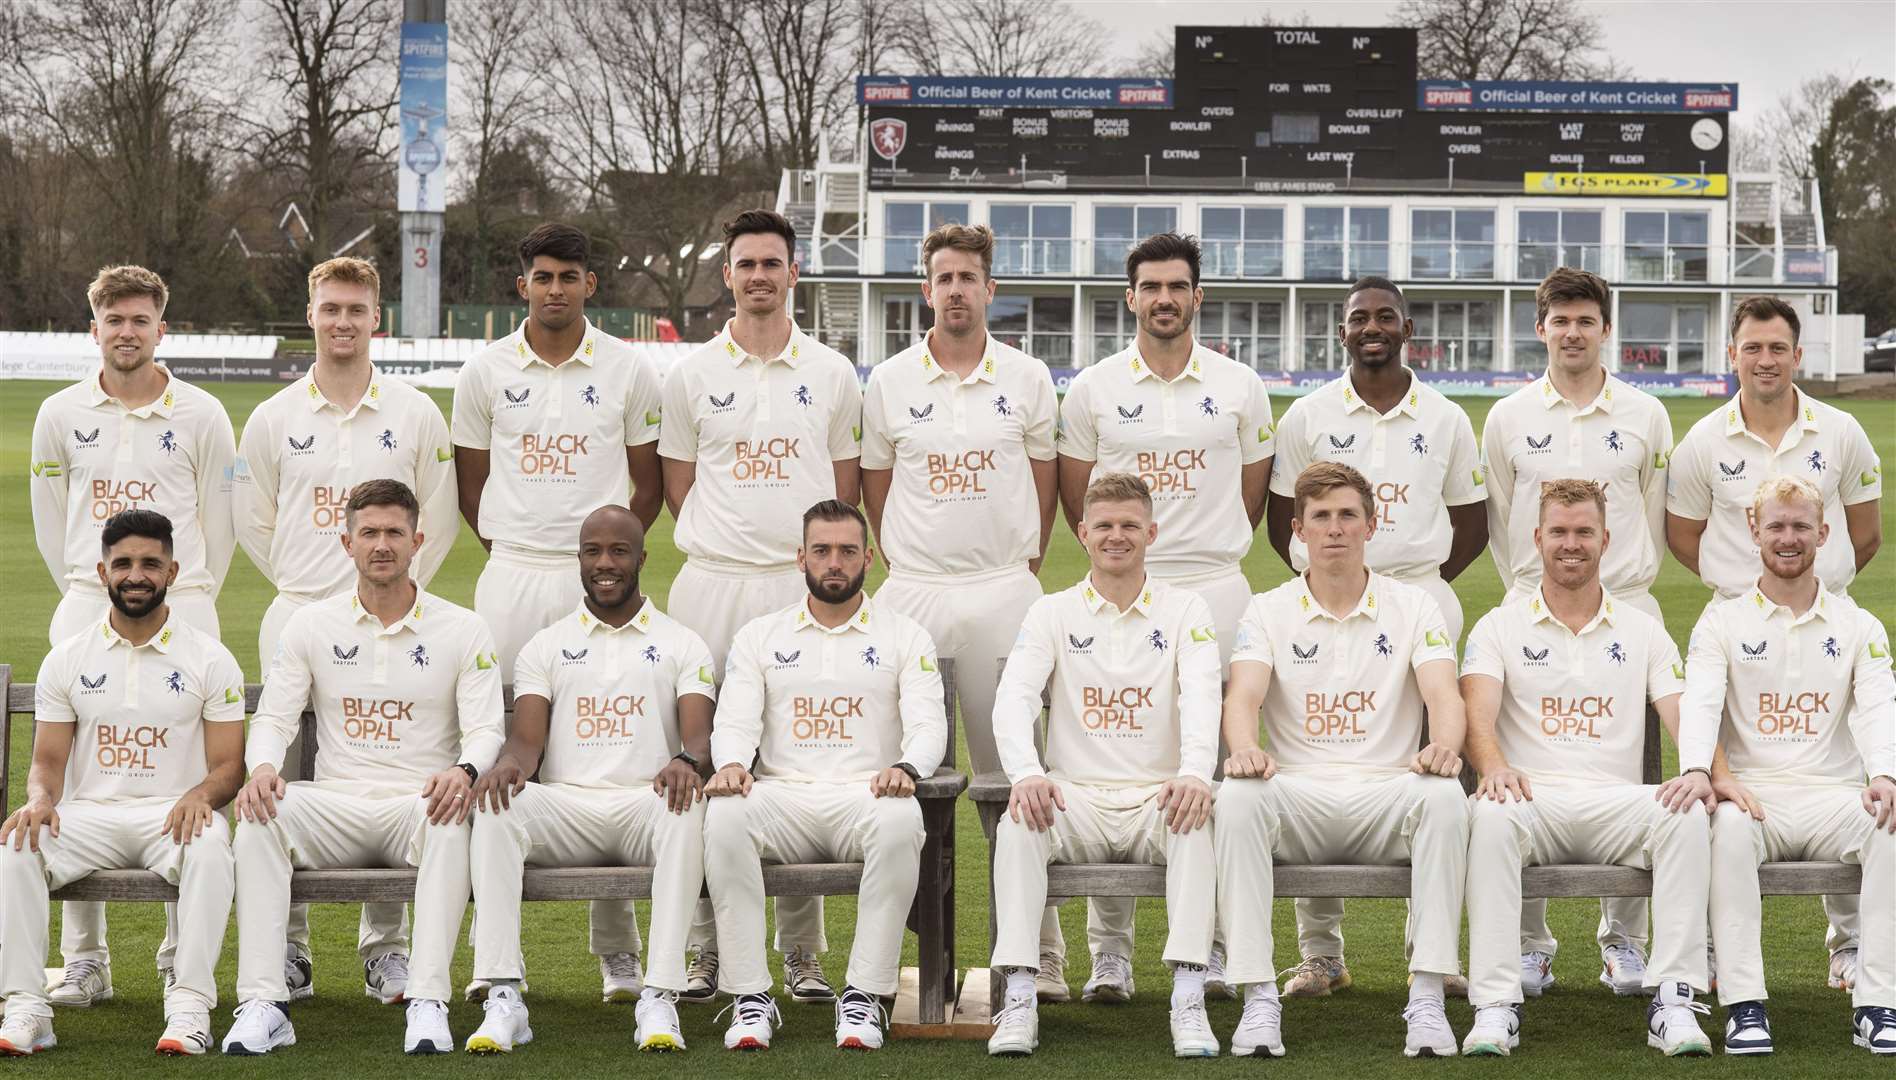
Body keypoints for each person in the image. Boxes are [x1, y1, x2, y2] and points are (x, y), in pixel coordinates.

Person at [1055, 231, 1273, 999]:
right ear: (1131, 297)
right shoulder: (1093, 388)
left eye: (1177, 286)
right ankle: (1109, 952)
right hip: (1122, 593)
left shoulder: (1241, 385)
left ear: (1197, 296)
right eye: (1150, 287)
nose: (1164, 299)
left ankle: (1211, 944)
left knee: (1210, 771)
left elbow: (1251, 489)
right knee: (1115, 760)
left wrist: (1201, 553)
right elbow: (1079, 496)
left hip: (1214, 586)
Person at [234, 255, 456, 1006]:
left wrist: (388, 592)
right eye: (330, 308)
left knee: (386, 769)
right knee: (281, 777)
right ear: (311, 315)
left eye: (356, 310)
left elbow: (441, 517)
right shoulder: (274, 418)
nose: (342, 322)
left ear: (376, 320)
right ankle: (288, 949)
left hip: (393, 619)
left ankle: (385, 951)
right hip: (296, 610)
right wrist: (312, 591)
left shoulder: (417, 412)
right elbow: (251, 519)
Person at [451, 222, 665, 1000]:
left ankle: (617, 947)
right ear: (522, 286)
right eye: (541, 276)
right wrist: (522, 545)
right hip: (512, 575)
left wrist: (605, 554)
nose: (554, 289)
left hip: (598, 576)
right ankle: (493, 951)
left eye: (568, 276)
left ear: (590, 285)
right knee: (490, 742)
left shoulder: (627, 368)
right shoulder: (483, 371)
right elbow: (471, 491)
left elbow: (649, 488)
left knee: (607, 743)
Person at [220, 480, 502, 1056]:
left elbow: (485, 729)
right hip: (337, 805)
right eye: (368, 532)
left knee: (451, 816)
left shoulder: (462, 627)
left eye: (394, 532)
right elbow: (274, 714)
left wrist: (464, 771)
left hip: (416, 805)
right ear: (346, 542)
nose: (381, 545)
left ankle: (427, 1001)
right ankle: (264, 1002)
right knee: (258, 815)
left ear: (417, 540)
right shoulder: (311, 625)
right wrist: (262, 769)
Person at [1261, 275, 1486, 999]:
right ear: (1342, 331)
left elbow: (1472, 521)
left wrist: (1401, 587)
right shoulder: (1309, 414)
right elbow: (1279, 519)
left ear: (1407, 327)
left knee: (1435, 768)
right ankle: (1321, 955)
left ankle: (1434, 950)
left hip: (1420, 595)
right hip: (1322, 603)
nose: (1373, 327)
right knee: (1316, 752)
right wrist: (1337, 576)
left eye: (1385, 316)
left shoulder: (1446, 416)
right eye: (1360, 318)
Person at [659, 209, 863, 1002]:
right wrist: (727, 540)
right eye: (745, 265)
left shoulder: (834, 371)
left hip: (797, 586)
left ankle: (802, 951)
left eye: (772, 264)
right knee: (707, 759)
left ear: (793, 274)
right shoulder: (690, 375)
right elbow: (681, 490)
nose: (758, 277)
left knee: (792, 760)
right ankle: (706, 950)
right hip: (711, 582)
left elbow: (842, 491)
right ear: (728, 276)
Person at [860, 222, 1067, 998]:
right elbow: (877, 494)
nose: (955, 290)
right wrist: (916, 564)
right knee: (902, 771)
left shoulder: (1028, 376)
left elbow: (1043, 493)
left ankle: (1039, 951)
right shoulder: (890, 381)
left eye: (967, 277)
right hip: (913, 591)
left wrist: (1013, 567)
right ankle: (890, 955)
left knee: (1014, 773)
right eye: (942, 277)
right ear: (926, 289)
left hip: (1003, 589)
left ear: (989, 288)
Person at [27, 264, 235, 1009]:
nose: (126, 332)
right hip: (88, 602)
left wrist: (189, 586)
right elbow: (53, 519)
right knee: (81, 783)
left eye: (140, 320)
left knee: (186, 778)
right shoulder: (60, 412)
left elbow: (221, 517)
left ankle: (183, 959)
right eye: (113, 320)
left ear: (160, 327)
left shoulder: (203, 413)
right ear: (95, 329)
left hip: (187, 600)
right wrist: (87, 589)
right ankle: (85, 960)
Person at [1214, 461, 1469, 1059]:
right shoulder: (1266, 608)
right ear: (1298, 530)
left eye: (1348, 515)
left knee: (1443, 796)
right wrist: (1246, 749)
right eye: (1321, 517)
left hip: (1388, 793)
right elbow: (1244, 695)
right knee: (1238, 797)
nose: (1335, 529)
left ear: (1370, 525)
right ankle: (1257, 998)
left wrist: (1445, 746)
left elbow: (1443, 695)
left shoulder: (1414, 606)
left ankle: (1428, 996)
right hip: (1298, 797)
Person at [1666, 295, 1882, 992]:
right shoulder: (1703, 441)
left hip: (1824, 614)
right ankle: (1705, 950)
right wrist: (1744, 593)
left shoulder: (1842, 430)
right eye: (1752, 347)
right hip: (1734, 624)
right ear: (1733, 354)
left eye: (1777, 348)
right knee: (1721, 782)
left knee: (1842, 771)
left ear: (1797, 354)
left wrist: (1815, 588)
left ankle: (1849, 944)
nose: (1765, 359)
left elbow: (1865, 529)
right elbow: (1683, 536)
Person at [1459, 479, 1713, 1057]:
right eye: (1558, 532)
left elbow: (1684, 713)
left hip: (1615, 804)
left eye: (1583, 532)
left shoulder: (1643, 628)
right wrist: (1494, 766)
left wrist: (1699, 768)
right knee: (1492, 815)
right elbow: (1477, 712)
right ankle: (1496, 1005)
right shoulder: (1499, 626)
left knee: (1688, 814)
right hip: (1532, 802)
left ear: (1606, 539)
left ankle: (1672, 1001)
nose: (1570, 544)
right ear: (1536, 538)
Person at [1480, 267, 1676, 997]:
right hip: (1531, 615)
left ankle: (1624, 940)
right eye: (1559, 321)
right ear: (1541, 329)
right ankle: (1529, 945)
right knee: (1521, 776)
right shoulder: (1507, 418)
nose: (1572, 333)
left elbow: (1651, 509)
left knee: (1637, 777)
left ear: (1604, 329)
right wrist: (1536, 592)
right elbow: (1505, 519)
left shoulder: (1646, 415)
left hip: (1628, 613)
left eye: (1585, 321)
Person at [461, 505, 716, 1054]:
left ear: (642, 558)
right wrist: (507, 765)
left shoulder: (682, 643)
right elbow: (527, 742)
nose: (605, 563)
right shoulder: (545, 645)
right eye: (593, 551)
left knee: (687, 804)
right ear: (578, 559)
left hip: (644, 806)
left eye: (618, 551)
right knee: (495, 806)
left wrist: (686, 762)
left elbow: (699, 738)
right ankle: (503, 994)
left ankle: (660, 995)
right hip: (567, 809)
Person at [984, 473, 1221, 1059]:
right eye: (1106, 526)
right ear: (1083, 532)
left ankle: (1187, 995)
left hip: (1155, 799)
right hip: (1075, 798)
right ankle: (1019, 994)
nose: (1118, 537)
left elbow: (1201, 696)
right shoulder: (1052, 612)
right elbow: (1014, 698)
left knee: (1197, 818)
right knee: (1017, 821)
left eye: (1130, 526)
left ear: (1152, 532)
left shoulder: (1186, 608)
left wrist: (1193, 771)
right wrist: (1026, 774)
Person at [701, 500, 945, 1052]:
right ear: (800, 558)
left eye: (847, 551)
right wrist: (734, 763)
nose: (834, 562)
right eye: (822, 550)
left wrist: (907, 767)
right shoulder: (761, 635)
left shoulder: (905, 635)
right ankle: (749, 995)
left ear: (869, 558)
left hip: (865, 795)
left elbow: (929, 721)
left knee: (901, 817)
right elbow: (736, 716)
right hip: (783, 796)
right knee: (725, 814)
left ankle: (863, 995)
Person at [1664, 475, 1895, 1056]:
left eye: (1799, 526)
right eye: (1776, 526)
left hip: (1833, 795)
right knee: (1731, 828)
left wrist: (1884, 777)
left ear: (1823, 532)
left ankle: (1878, 1004)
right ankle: (1745, 1005)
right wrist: (1699, 769)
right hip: (1755, 797)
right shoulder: (1722, 621)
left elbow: (1876, 708)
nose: (1787, 538)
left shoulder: (1858, 625)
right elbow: (1702, 701)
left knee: (1890, 824)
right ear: (1753, 531)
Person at [0, 510, 242, 1056]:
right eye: (124, 563)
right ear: (102, 570)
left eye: (150, 563)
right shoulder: (68, 658)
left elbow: (229, 765)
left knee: (210, 843)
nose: (137, 575)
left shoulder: (209, 658)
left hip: (171, 817)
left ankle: (189, 1004)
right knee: (18, 841)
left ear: (173, 571)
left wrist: (200, 796)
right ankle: (26, 1005)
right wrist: (39, 799)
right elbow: (48, 761)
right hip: (92, 816)